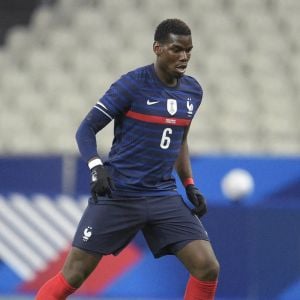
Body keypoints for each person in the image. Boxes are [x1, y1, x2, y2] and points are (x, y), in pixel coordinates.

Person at [36, 18, 220, 300]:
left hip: (162, 195)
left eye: (188, 50)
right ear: (157, 48)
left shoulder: (192, 91)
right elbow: (86, 129)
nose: (184, 57)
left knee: (207, 267)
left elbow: (180, 138)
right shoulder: (131, 85)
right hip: (119, 193)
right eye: (176, 49)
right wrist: (96, 168)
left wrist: (190, 184)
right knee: (73, 275)